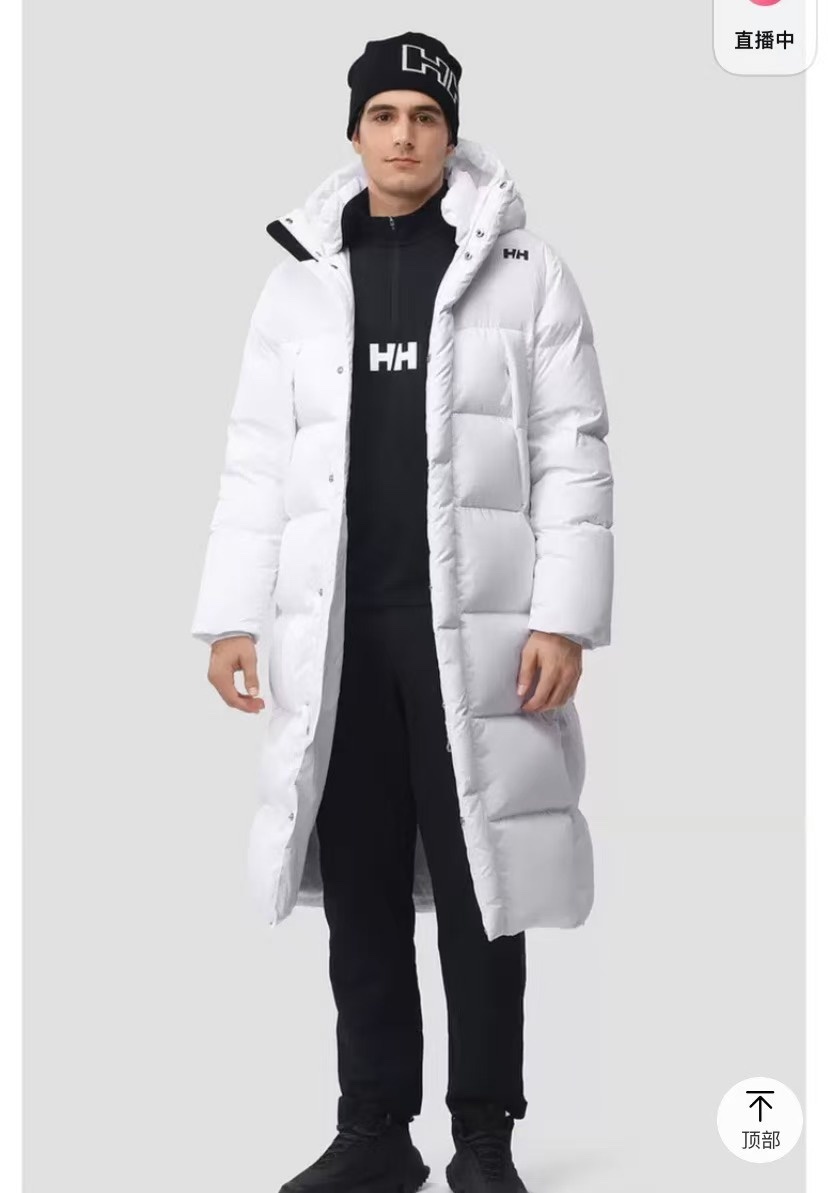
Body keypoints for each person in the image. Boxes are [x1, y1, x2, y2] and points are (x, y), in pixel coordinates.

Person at [191, 29, 614, 1193]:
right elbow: (256, 459)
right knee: (362, 880)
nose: (405, 135)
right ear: (355, 130)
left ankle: (483, 1137)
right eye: (384, 114)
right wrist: (231, 618)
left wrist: (563, 617)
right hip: (337, 633)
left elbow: (573, 450)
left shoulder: (525, 272)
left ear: (451, 132)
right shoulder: (300, 279)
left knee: (486, 878)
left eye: (426, 116)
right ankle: (375, 1129)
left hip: (477, 632)